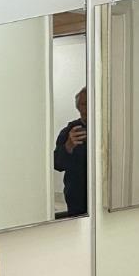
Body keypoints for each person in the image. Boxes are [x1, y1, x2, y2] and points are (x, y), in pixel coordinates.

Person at [53, 87, 88, 217]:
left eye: (91, 102)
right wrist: (68, 146)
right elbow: (57, 164)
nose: (87, 108)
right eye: (84, 104)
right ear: (78, 107)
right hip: (77, 198)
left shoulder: (109, 127)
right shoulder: (69, 131)